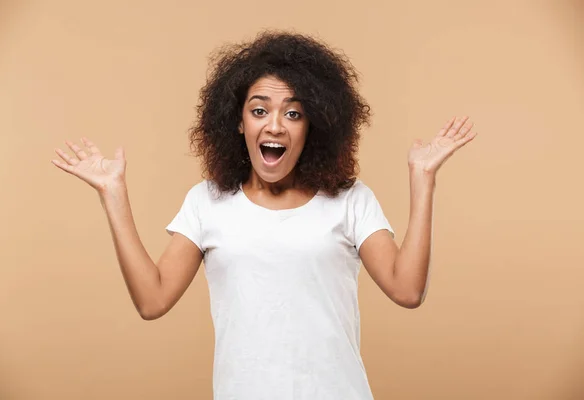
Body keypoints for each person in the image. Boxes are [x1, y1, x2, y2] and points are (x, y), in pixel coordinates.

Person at [51, 30, 477, 400]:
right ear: (238, 123)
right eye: (259, 111)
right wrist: (113, 194)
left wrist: (423, 180)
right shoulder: (207, 202)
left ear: (314, 127)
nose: (275, 126)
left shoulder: (350, 199)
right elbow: (152, 299)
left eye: (293, 113)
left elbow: (407, 290)